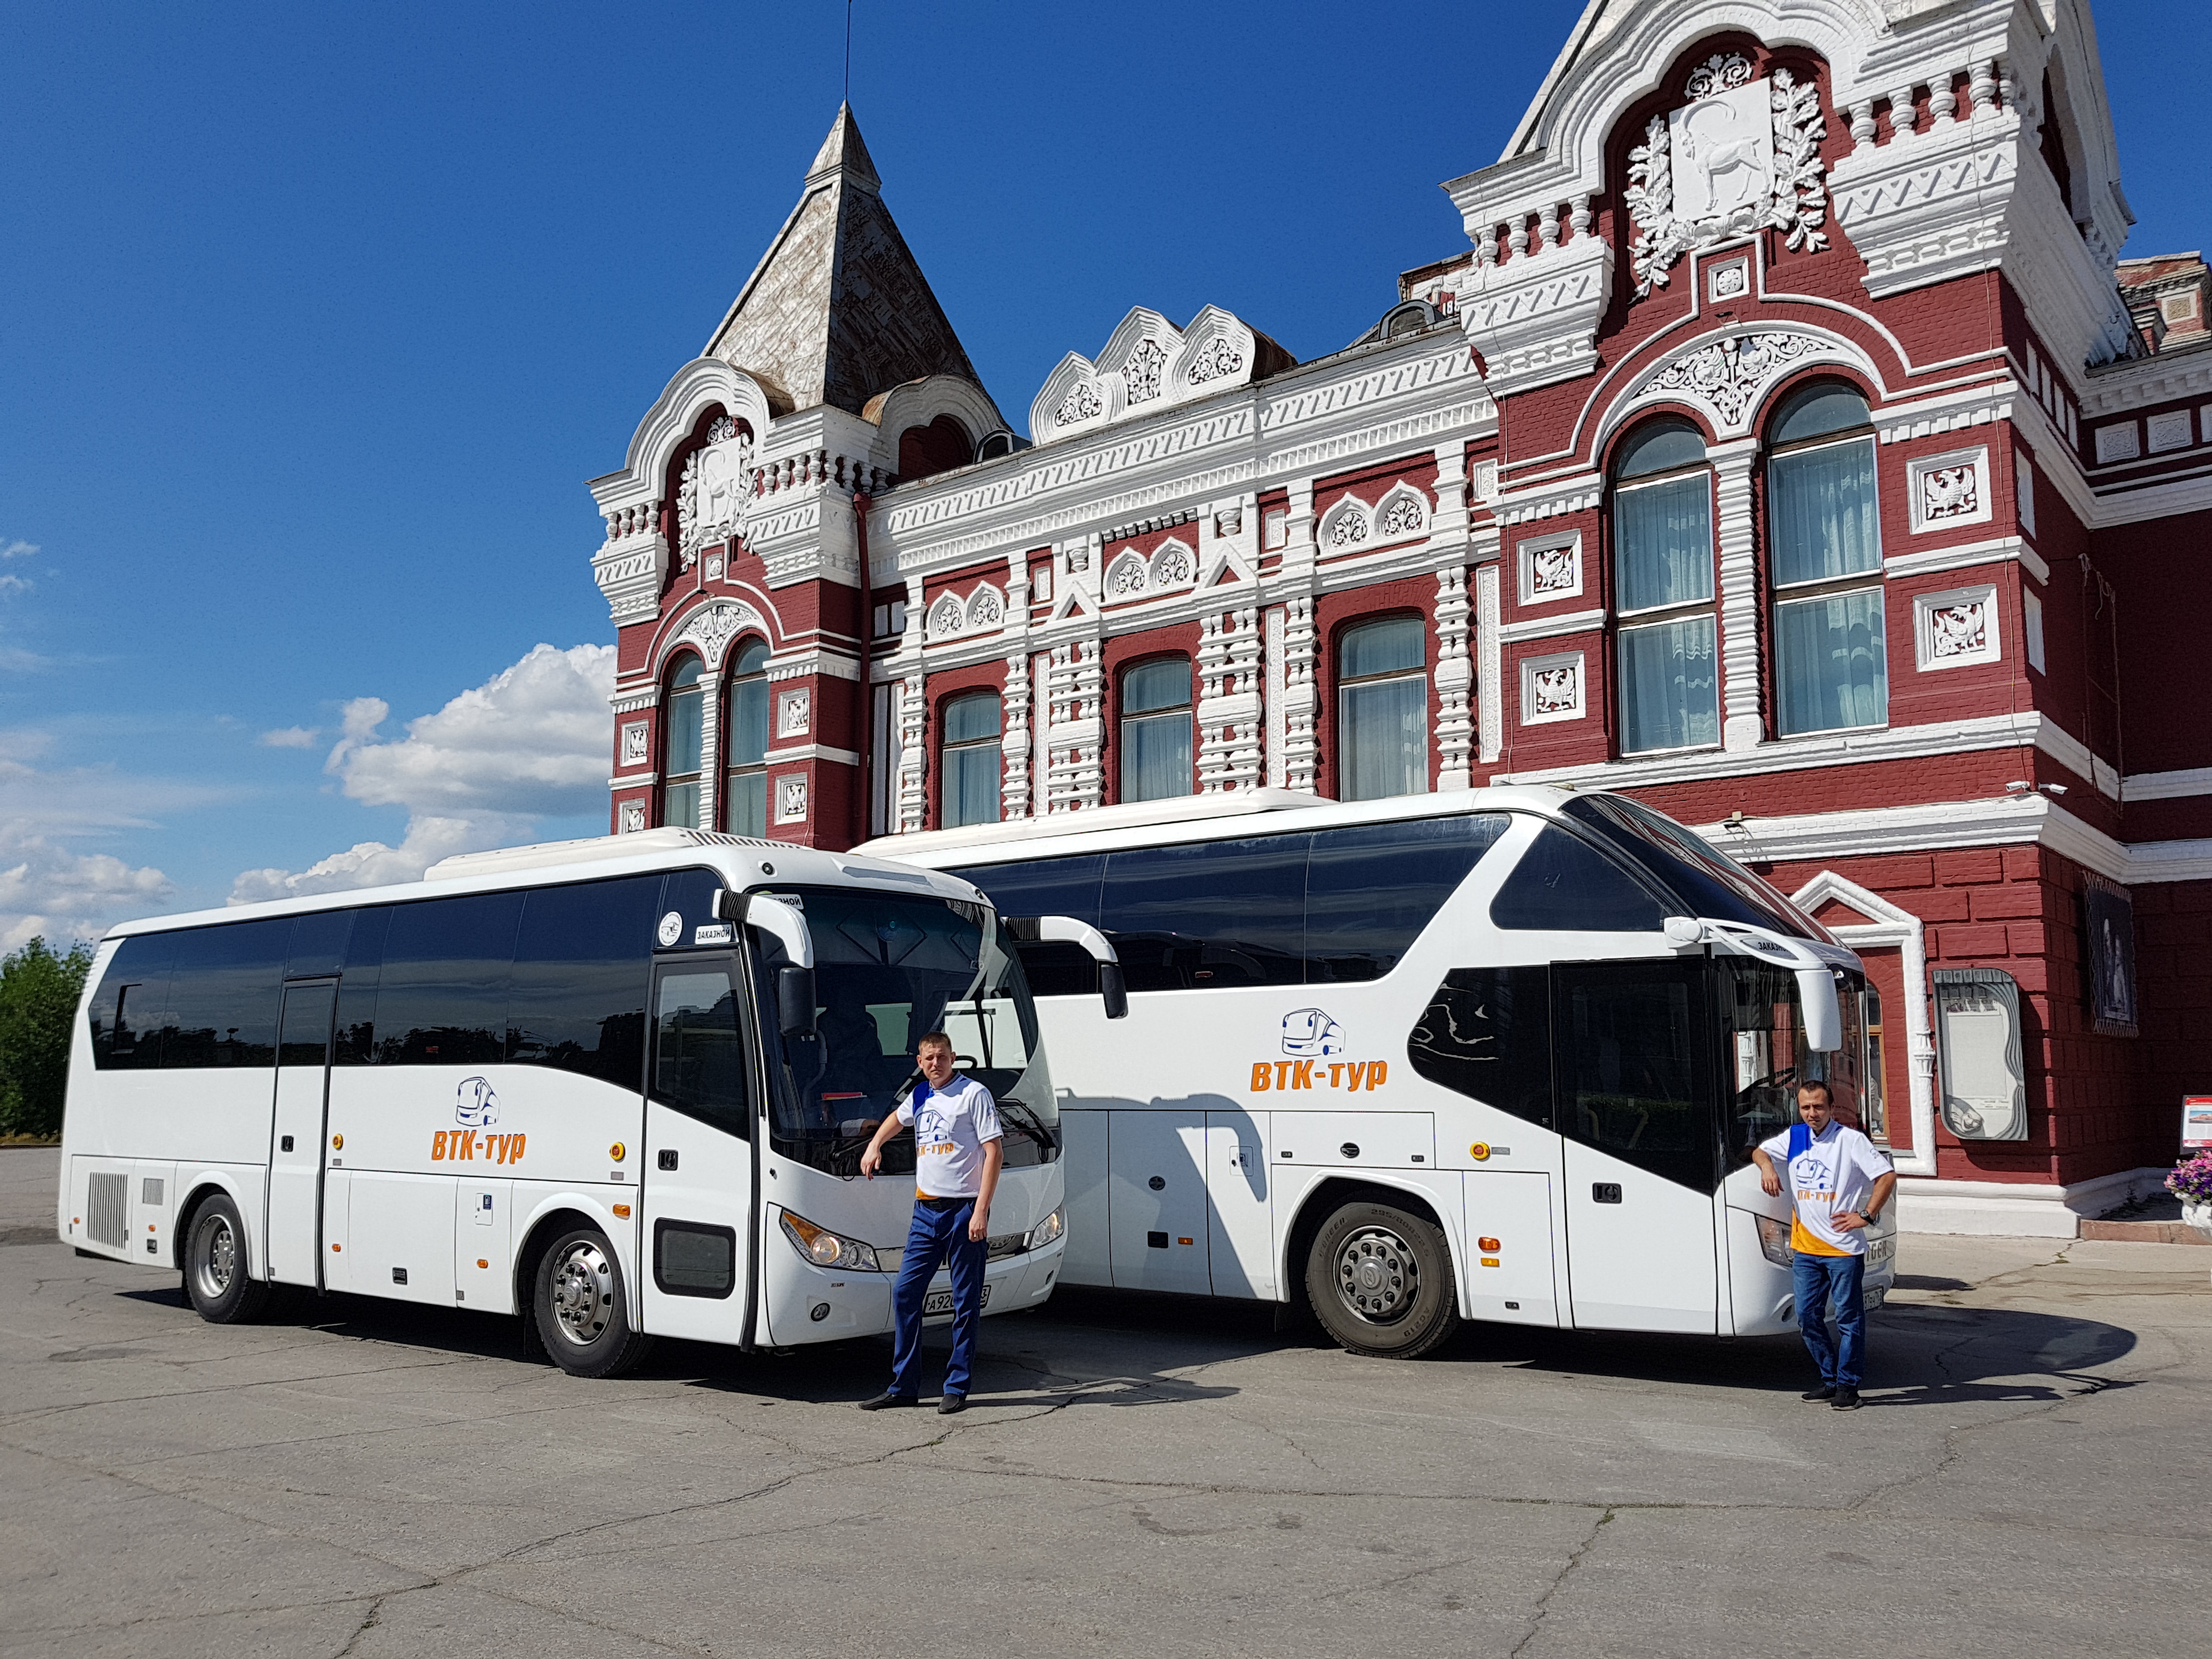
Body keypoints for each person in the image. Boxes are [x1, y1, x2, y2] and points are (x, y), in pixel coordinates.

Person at [855, 1030, 1002, 1414]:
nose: (935, 1064)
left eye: (941, 1057)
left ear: (953, 1057)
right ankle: (904, 1386)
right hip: (926, 1212)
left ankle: (956, 1386)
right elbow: (896, 1120)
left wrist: (981, 1210)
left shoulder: (974, 1095)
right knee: (906, 1293)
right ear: (919, 1063)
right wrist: (875, 1145)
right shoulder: (920, 1095)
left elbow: (994, 1153)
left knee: (964, 1301)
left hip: (964, 1211)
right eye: (928, 1059)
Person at [1752, 1079, 1897, 1410]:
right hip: (1806, 1250)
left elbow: (1886, 1176)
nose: (1812, 1113)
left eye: (1819, 1107)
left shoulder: (1850, 1141)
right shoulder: (1796, 1136)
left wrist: (1866, 1214)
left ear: (1831, 1108)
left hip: (1843, 1250)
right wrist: (1767, 1169)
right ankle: (1829, 1379)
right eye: (1806, 1107)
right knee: (1807, 1318)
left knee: (1849, 1320)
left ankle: (1849, 1386)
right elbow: (1760, 1151)